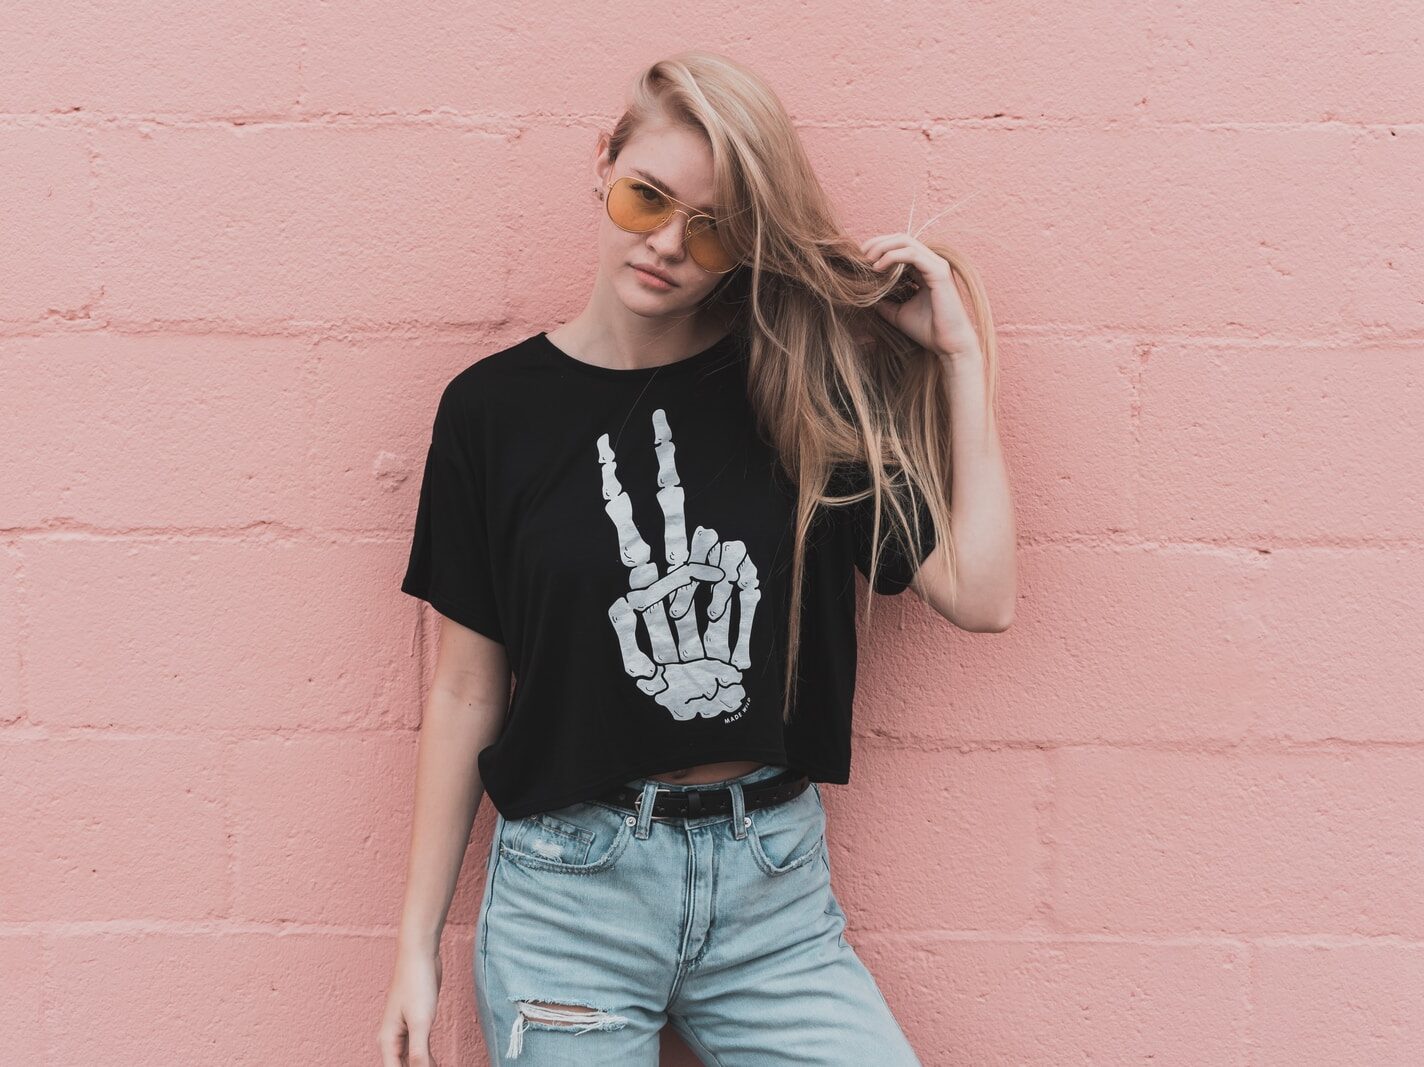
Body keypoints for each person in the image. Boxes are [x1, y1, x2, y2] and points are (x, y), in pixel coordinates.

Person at [377, 49, 1016, 1067]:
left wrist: (958, 360)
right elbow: (463, 691)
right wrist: (414, 945)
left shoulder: (797, 388)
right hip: (567, 897)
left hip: (773, 893)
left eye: (713, 228)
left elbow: (981, 597)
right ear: (603, 167)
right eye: (646, 198)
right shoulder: (490, 411)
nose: (668, 244)